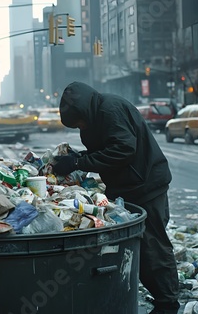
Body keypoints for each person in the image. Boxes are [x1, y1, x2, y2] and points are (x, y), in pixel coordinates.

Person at [52, 82, 180, 314]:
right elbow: (104, 147)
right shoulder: (95, 115)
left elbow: (123, 148)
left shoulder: (109, 110)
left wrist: (80, 162)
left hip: (146, 185)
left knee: (153, 247)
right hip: (128, 187)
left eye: (78, 122)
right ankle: (162, 298)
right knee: (140, 248)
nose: (80, 126)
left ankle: (168, 304)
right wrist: (77, 157)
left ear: (83, 112)